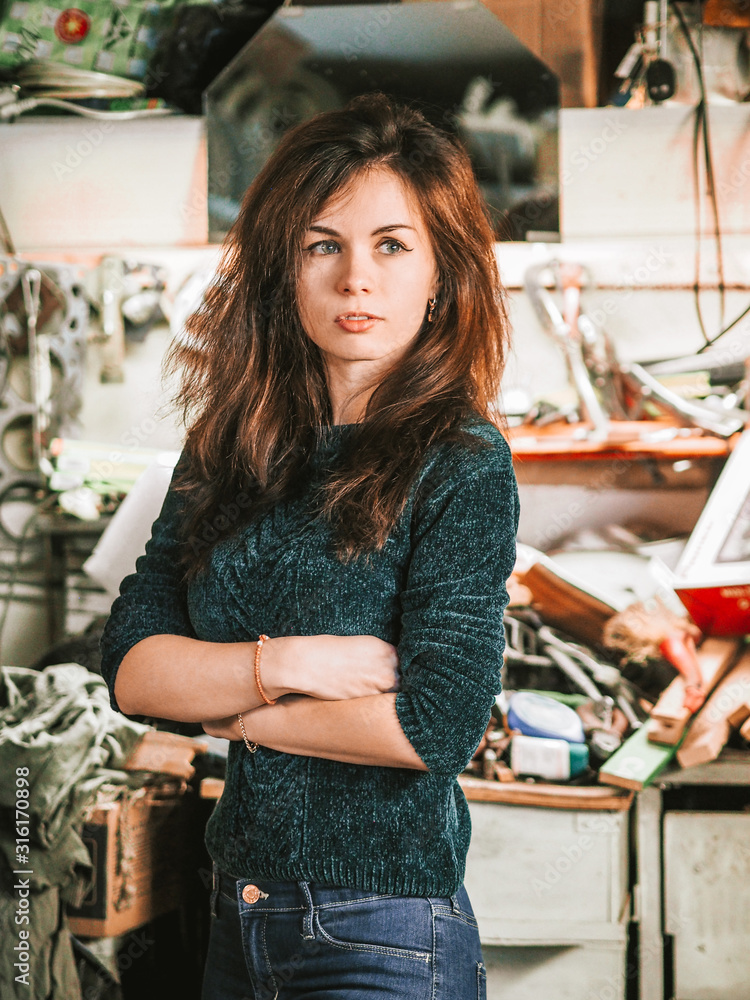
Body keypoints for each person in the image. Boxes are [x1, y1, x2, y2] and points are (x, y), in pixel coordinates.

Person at [101, 92, 518, 1000]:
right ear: (284, 269)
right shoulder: (229, 441)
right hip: (235, 913)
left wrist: (227, 713)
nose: (355, 278)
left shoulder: (462, 462)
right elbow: (133, 666)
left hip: (384, 930)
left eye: (392, 246)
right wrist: (298, 662)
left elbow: (432, 725)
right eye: (323, 245)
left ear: (442, 273)